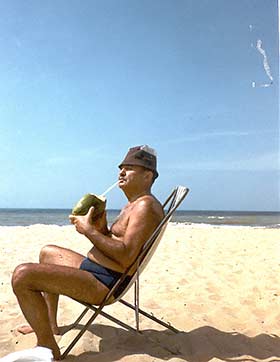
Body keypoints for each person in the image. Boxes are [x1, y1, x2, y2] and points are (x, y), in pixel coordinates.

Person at [11, 145, 164, 360]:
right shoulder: (132, 205)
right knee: (48, 253)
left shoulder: (145, 207)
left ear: (147, 176)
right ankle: (50, 324)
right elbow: (118, 242)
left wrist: (89, 231)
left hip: (105, 283)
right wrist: (101, 227)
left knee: (22, 275)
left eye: (129, 168)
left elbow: (127, 256)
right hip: (100, 270)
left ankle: (47, 346)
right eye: (121, 168)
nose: (121, 172)